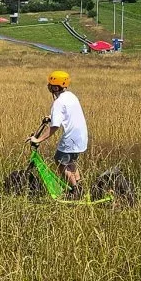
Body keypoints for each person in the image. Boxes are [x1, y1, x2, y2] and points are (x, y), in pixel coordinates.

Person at [29, 70, 88, 199]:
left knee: (60, 161)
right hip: (81, 136)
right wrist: (51, 116)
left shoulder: (58, 102)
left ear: (55, 87)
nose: (48, 87)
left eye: (50, 84)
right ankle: (79, 185)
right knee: (71, 161)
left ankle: (75, 191)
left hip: (71, 138)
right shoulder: (71, 96)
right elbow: (66, 113)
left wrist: (38, 139)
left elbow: (54, 127)